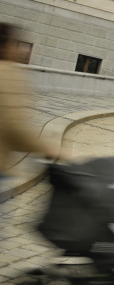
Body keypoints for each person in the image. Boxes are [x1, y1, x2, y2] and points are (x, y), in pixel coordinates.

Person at [0, 23, 60, 190]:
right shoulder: (6, 73)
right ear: (5, 46)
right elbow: (13, 127)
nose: (20, 50)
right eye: (14, 43)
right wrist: (48, 149)